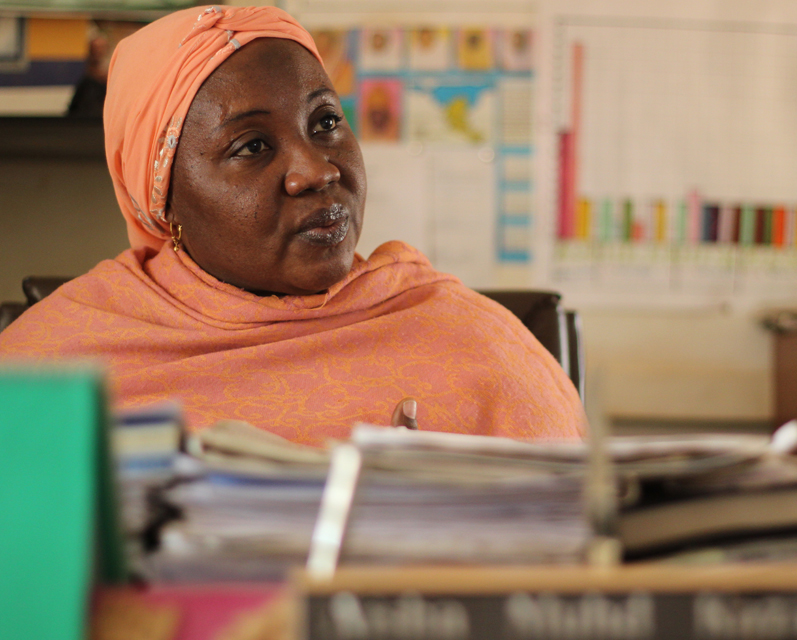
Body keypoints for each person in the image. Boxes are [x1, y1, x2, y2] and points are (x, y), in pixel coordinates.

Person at [0, 5, 585, 446]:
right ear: (163, 203)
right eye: (251, 146)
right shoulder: (46, 369)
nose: (316, 170)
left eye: (325, 121)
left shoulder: (475, 349)